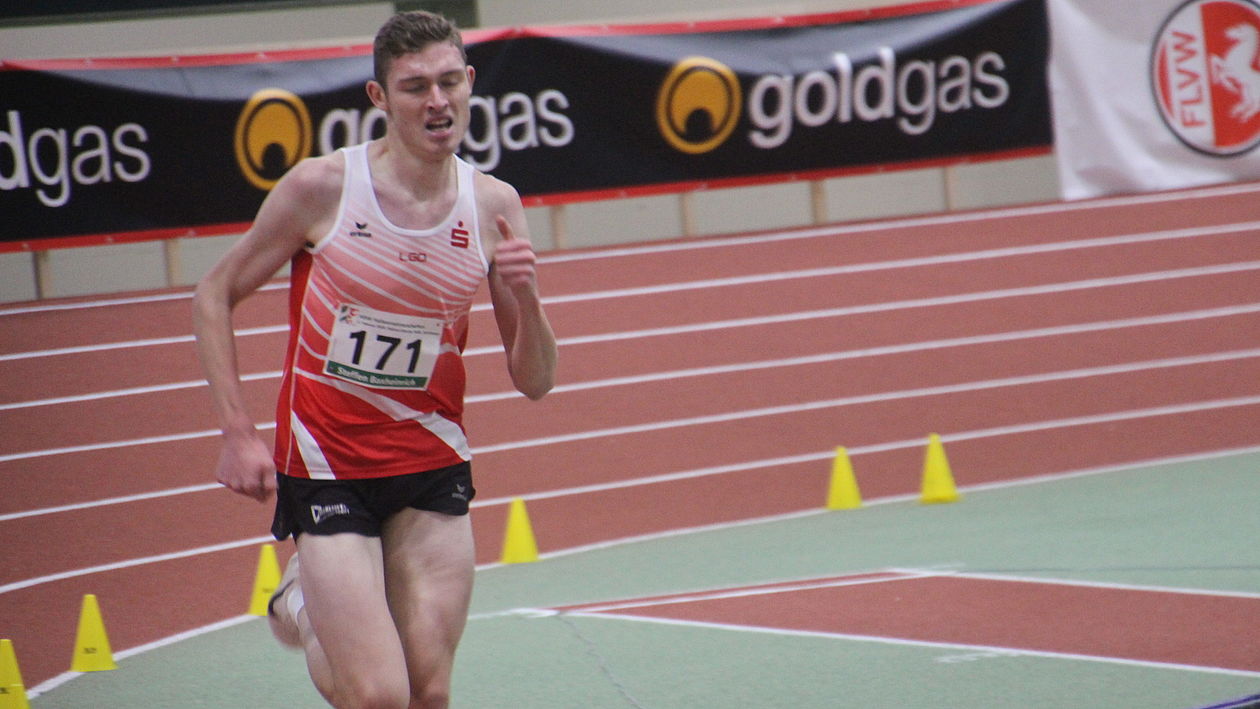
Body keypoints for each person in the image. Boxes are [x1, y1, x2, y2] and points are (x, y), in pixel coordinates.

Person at [192, 10, 557, 709]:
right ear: (380, 97)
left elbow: (535, 380)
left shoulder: (493, 205)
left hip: (430, 462)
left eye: (449, 82)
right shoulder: (323, 188)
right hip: (328, 465)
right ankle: (307, 606)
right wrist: (237, 431)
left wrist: (528, 295)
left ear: (470, 82)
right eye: (415, 87)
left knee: (429, 692)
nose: (437, 101)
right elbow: (214, 294)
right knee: (380, 697)